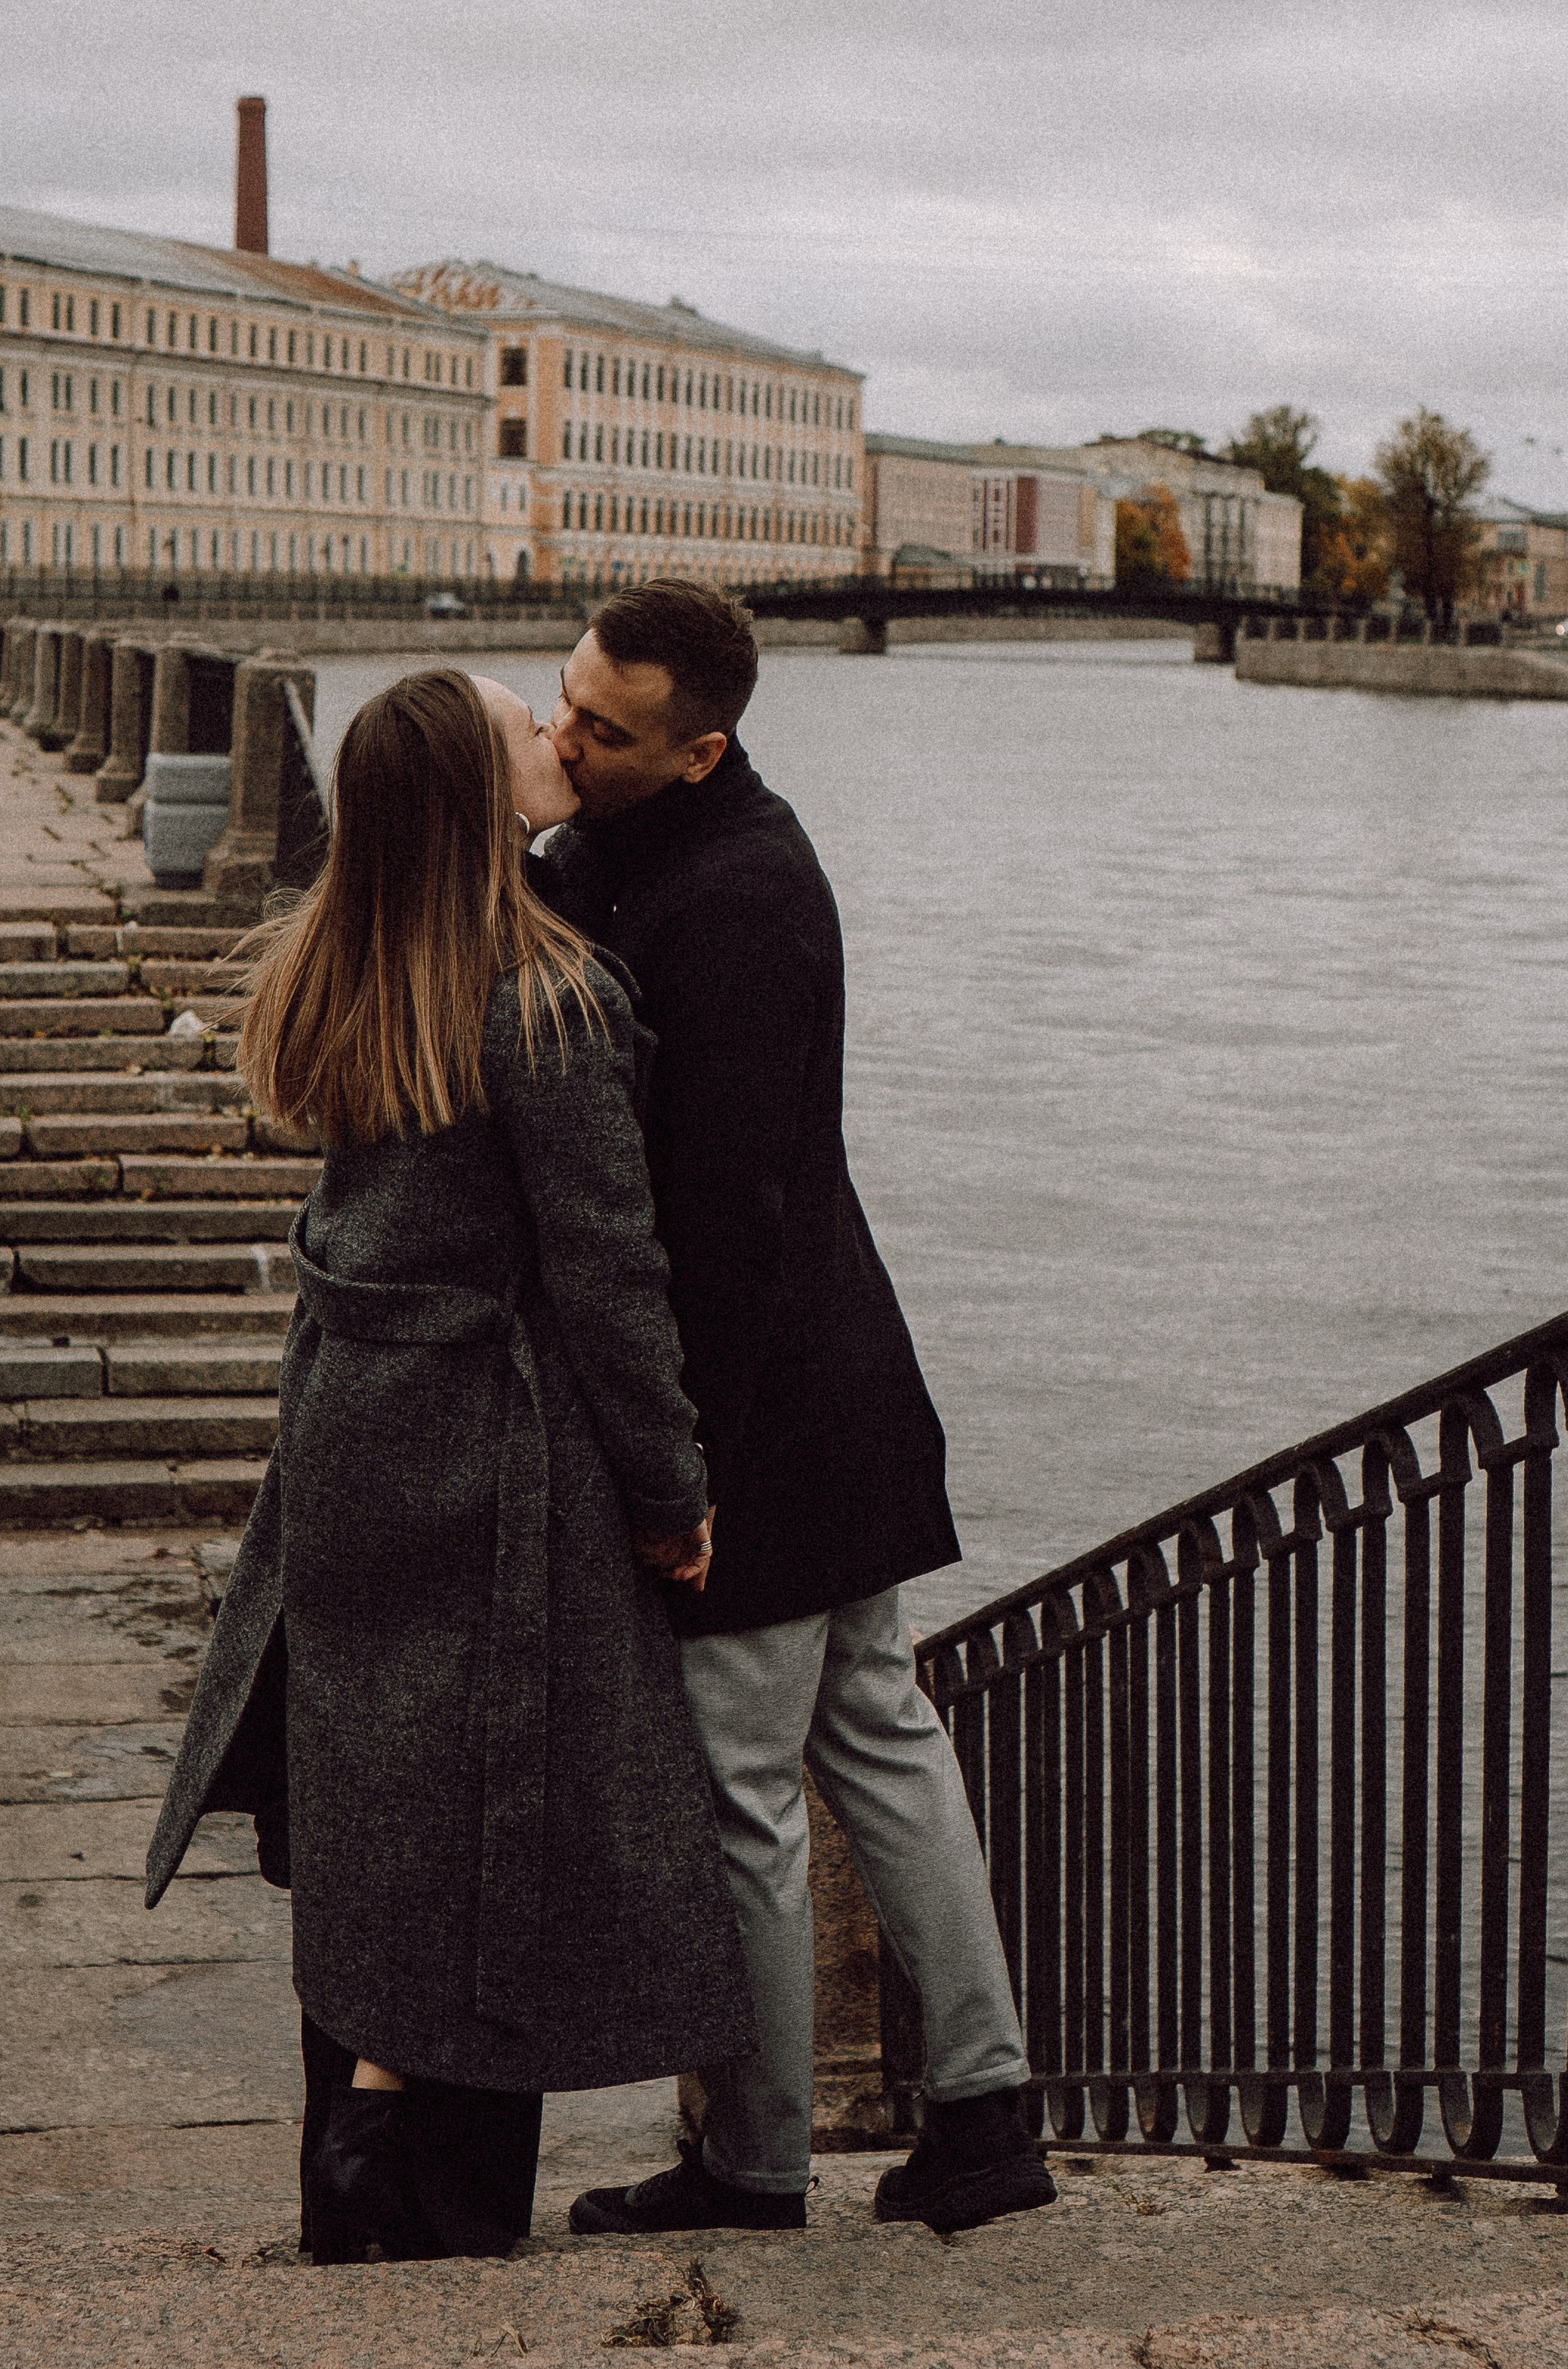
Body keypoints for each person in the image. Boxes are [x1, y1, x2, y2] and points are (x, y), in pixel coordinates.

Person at [144, 667, 755, 2264]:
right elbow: (609, 1278)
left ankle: (348, 2139)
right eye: (523, 730)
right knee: (498, 1812)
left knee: (373, 1801)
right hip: (490, 1452)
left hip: (351, 1431)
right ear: (481, 801)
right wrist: (671, 1490)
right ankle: (403, 2163)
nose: (556, 740)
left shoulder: (335, 966)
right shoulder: (546, 1002)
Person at [536, 580, 1057, 2240]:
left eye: (600, 731)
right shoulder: (677, 851)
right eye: (561, 704)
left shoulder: (736, 902)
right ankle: (983, 2111)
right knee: (886, 1746)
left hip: (764, 1416)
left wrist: (680, 1473)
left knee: (744, 1795)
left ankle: (754, 2162)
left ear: (701, 749)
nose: (564, 738)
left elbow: (727, 1218)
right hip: (840, 1396)